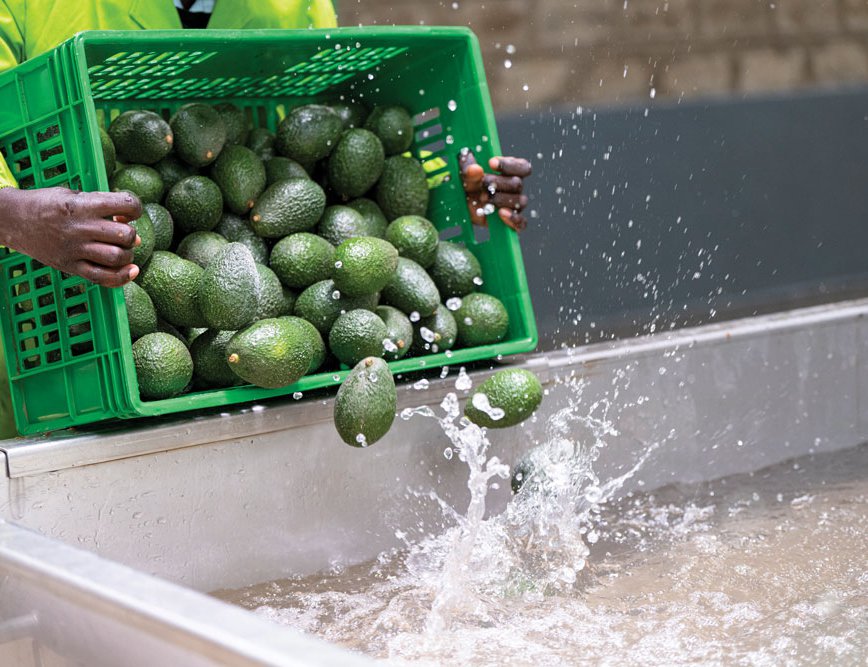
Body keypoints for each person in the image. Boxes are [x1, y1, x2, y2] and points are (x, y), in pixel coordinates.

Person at [0, 0, 531, 436]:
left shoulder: (295, 5)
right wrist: (13, 215)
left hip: (236, 368)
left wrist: (446, 184)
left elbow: (326, 142)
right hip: (40, 350)